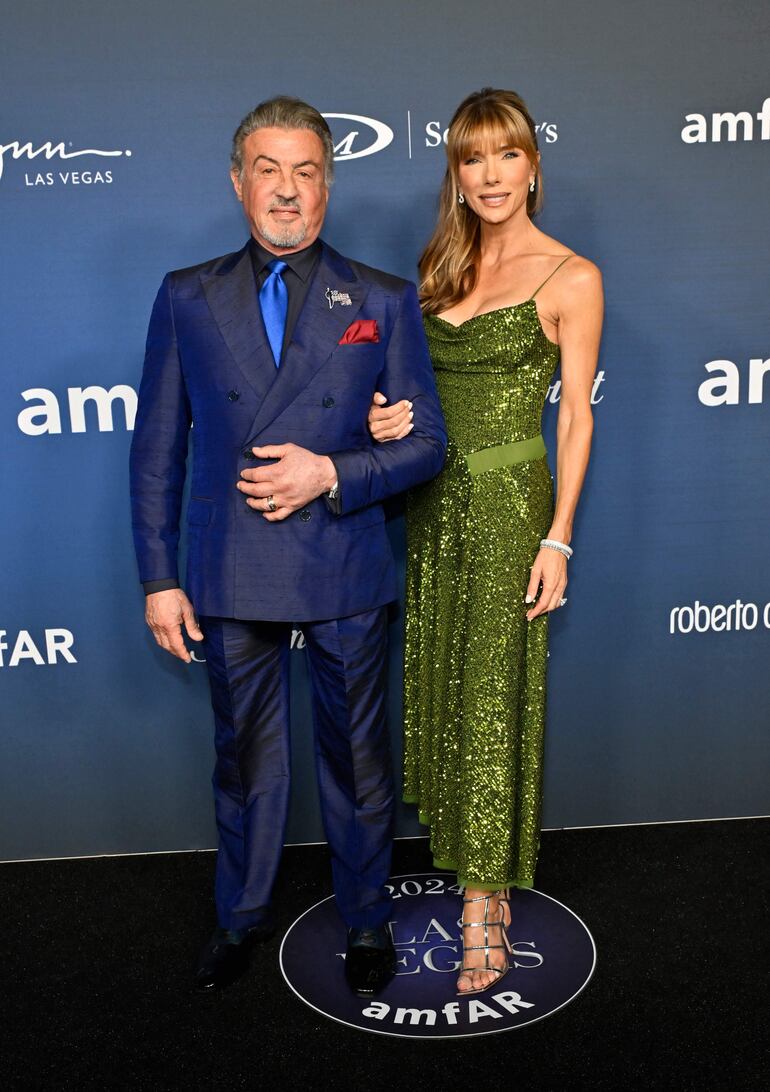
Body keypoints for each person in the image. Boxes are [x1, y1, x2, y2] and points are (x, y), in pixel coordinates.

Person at [129, 96, 446, 994]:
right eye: (268, 170)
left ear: (328, 185)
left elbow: (427, 446)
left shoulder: (381, 298)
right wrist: (160, 577)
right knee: (245, 758)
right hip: (230, 569)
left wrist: (333, 474)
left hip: (342, 561)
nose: (287, 191)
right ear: (238, 183)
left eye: (306, 171)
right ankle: (239, 915)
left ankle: (368, 917)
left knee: (359, 760)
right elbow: (157, 447)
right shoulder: (188, 294)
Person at [368, 88, 603, 995]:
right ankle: (472, 862)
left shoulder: (571, 275)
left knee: (495, 700)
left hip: (511, 505)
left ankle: (483, 899)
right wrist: (390, 418)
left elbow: (577, 418)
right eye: (473, 158)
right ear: (455, 173)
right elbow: (418, 394)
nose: (491, 175)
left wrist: (560, 540)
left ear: (533, 165)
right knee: (448, 686)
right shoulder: (440, 263)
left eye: (506, 156)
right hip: (432, 505)